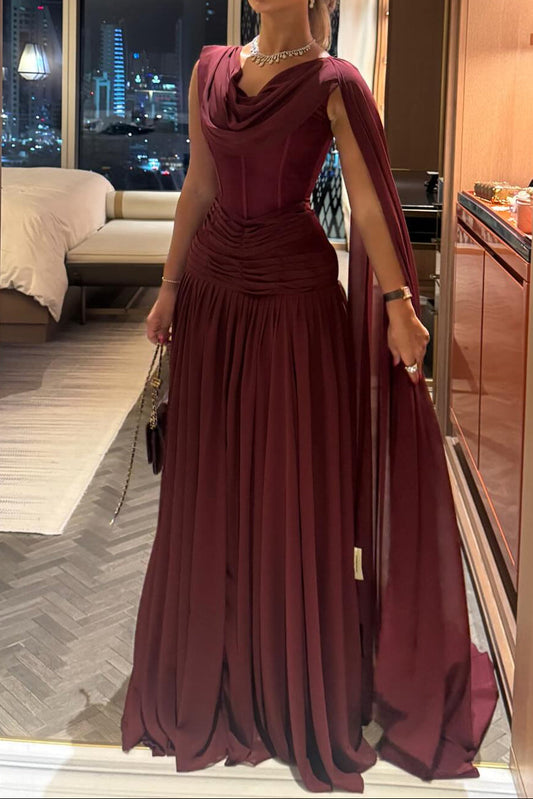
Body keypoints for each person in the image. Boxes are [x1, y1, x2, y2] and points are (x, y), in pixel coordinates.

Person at [121, 1, 499, 793]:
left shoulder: (334, 82)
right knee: (214, 482)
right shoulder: (211, 69)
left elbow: (367, 201)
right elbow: (198, 184)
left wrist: (398, 303)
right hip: (213, 297)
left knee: (288, 483)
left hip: (294, 301)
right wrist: (169, 288)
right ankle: (214, 672)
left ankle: (289, 678)